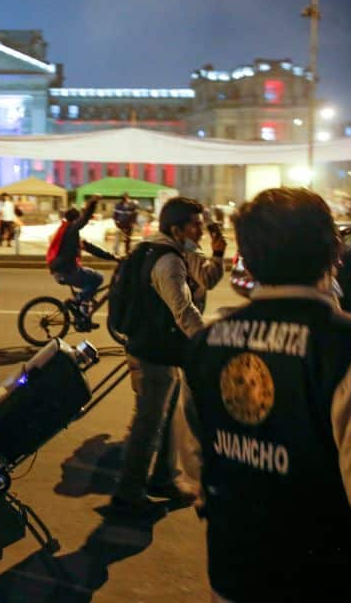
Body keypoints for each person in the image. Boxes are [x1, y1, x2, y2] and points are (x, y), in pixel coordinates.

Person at [182, 188, 351, 600]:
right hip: (332, 584)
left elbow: (196, 458)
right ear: (334, 252)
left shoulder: (205, 343)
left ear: (247, 257)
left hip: (235, 575)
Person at [110, 197, 214, 516]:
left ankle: (163, 478)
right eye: (194, 224)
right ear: (176, 228)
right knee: (149, 423)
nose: (200, 230)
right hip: (154, 352)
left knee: (169, 419)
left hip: (160, 349)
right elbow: (183, 310)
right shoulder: (167, 261)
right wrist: (208, 344)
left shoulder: (156, 249)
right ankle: (129, 492)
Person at [46, 197, 113, 329]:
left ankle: (83, 315)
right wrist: (93, 203)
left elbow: (91, 248)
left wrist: (113, 257)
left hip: (64, 271)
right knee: (97, 278)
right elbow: (84, 219)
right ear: (75, 220)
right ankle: (77, 301)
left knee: (91, 281)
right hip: (66, 272)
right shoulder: (71, 230)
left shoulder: (67, 232)